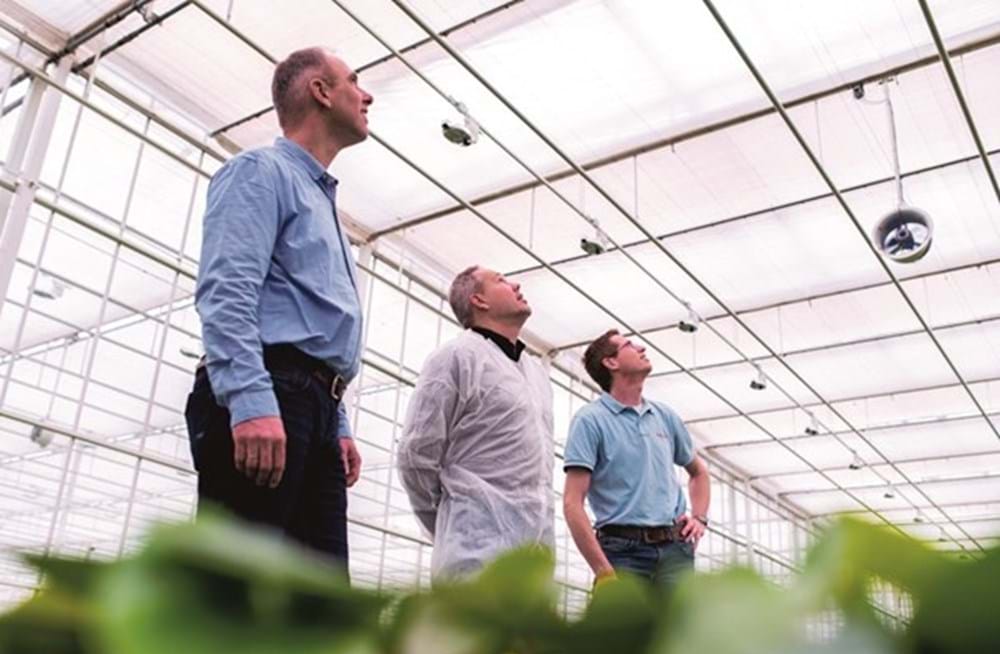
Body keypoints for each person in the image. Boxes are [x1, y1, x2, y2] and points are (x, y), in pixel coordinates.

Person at [184, 47, 372, 569]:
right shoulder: (259, 173)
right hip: (271, 394)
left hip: (314, 407)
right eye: (355, 80)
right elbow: (227, 291)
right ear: (321, 91)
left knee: (321, 605)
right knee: (243, 598)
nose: (367, 94)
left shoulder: (323, 202)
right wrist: (250, 400)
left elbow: (315, 328)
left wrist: (337, 424)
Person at [397, 266, 554, 580]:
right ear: (478, 300)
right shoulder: (455, 357)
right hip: (474, 550)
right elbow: (416, 457)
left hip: (535, 551)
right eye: (501, 280)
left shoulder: (536, 372)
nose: (516, 284)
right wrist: (452, 521)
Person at [563, 329, 711, 588]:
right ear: (611, 362)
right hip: (622, 554)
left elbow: (699, 473)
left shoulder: (664, 416)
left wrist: (699, 518)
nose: (641, 348)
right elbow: (572, 503)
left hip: (676, 553)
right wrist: (604, 572)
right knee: (624, 629)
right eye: (629, 345)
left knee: (677, 630)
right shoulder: (590, 421)